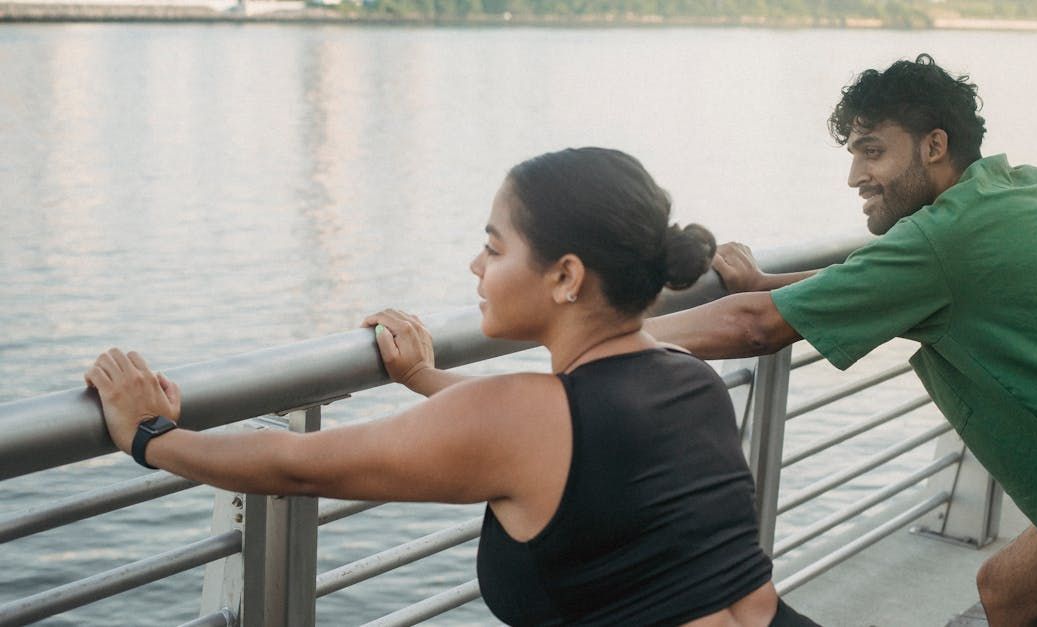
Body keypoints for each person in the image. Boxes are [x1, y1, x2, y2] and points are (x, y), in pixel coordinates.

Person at [85, 147, 820, 626]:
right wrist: (426, 376)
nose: (475, 266)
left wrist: (152, 436)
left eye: (494, 247)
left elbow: (293, 463)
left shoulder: (520, 416)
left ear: (566, 276)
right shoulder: (687, 380)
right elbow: (560, 448)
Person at [645, 55, 1037, 626]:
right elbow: (886, 278)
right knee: (1007, 593)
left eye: (874, 151)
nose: (855, 176)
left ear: (934, 146)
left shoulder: (944, 243)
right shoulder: (1029, 188)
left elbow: (756, 326)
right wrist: (769, 284)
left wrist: (611, 334)